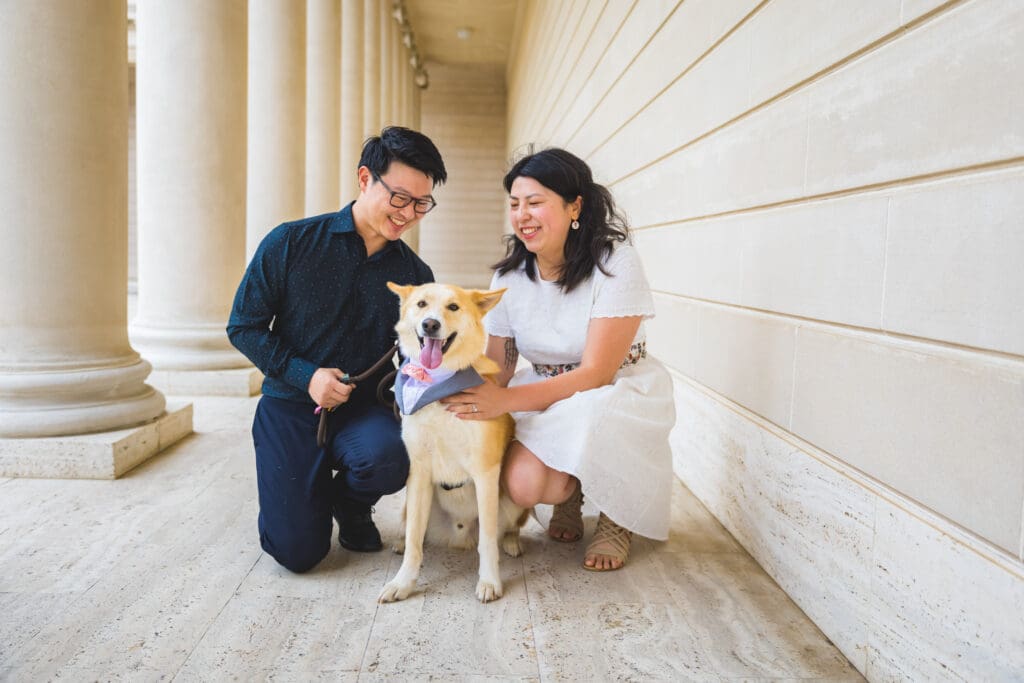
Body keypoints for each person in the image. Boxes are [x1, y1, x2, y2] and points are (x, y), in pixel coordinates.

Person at [441, 148, 675, 571]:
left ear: (574, 207)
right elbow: (500, 366)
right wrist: (447, 387)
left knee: (593, 412)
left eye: (535, 202)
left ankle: (617, 516)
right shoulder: (511, 276)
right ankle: (574, 488)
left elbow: (597, 373)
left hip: (617, 388)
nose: (522, 215)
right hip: (546, 389)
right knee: (526, 485)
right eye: (514, 204)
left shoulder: (616, 262)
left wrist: (505, 402)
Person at [227, 127, 447, 573]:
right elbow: (243, 326)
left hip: (364, 411)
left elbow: (417, 352)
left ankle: (350, 503)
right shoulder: (290, 242)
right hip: (291, 405)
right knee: (297, 553)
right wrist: (307, 375)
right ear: (365, 179)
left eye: (421, 204)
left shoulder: (415, 274)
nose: (408, 214)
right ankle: (303, 495)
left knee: (391, 457)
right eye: (400, 197)